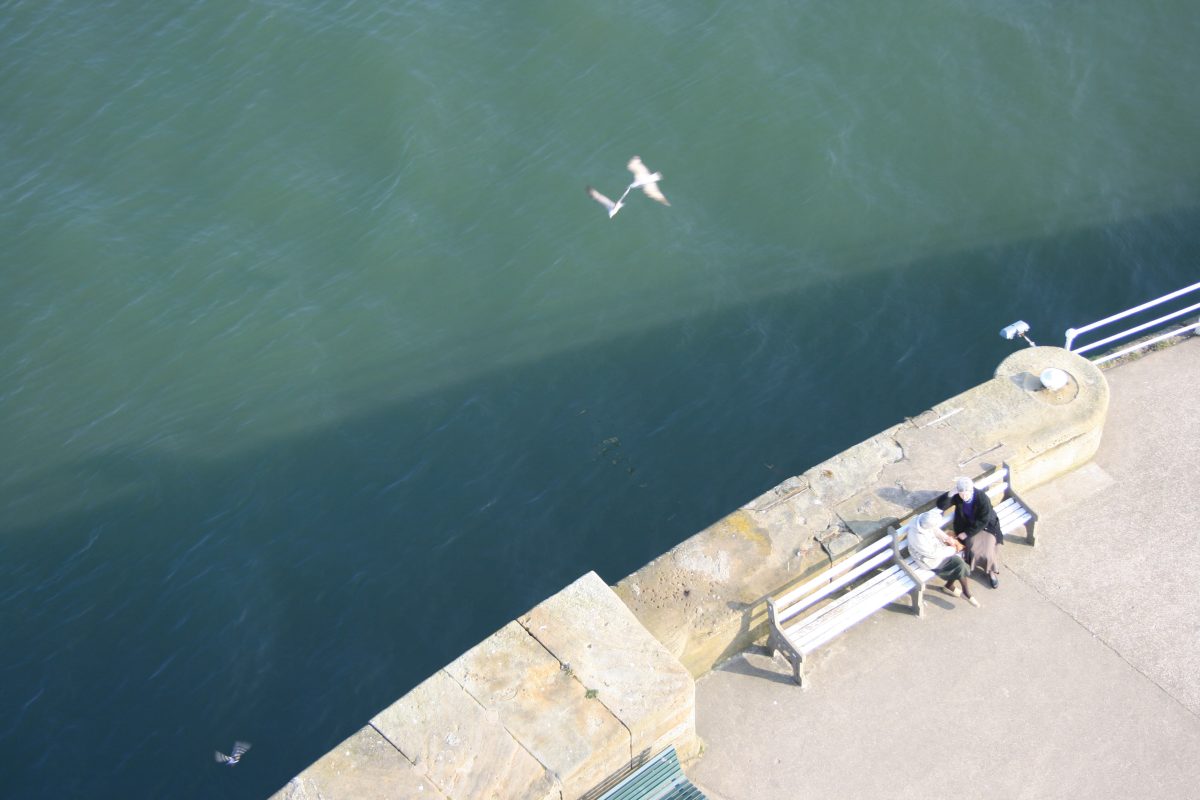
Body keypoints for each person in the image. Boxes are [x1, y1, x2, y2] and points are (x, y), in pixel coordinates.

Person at [937, 476, 1003, 589]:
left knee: (988, 550)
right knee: (973, 548)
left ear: (971, 490)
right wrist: (950, 493)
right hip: (967, 526)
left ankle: (991, 572)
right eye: (961, 493)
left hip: (985, 527)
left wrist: (967, 533)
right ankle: (977, 565)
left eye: (966, 493)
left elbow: (984, 520)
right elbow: (941, 505)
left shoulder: (982, 498)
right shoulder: (958, 497)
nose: (964, 496)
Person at [907, 510, 979, 607]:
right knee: (959, 564)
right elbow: (933, 554)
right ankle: (963, 591)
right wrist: (953, 549)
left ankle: (951, 587)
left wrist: (948, 539)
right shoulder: (917, 538)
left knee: (959, 562)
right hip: (927, 560)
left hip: (937, 551)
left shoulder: (922, 522)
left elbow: (935, 530)